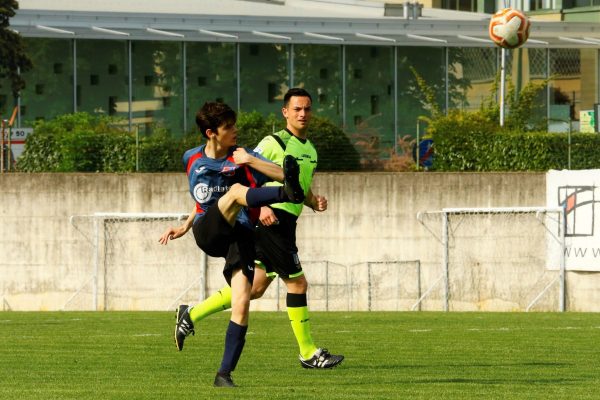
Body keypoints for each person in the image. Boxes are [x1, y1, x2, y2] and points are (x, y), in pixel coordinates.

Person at [170, 88, 344, 369]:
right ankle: (309, 352)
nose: (303, 114)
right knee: (297, 283)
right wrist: (258, 207)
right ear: (285, 112)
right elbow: (241, 180)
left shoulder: (309, 150)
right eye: (297, 109)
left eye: (307, 109)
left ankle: (191, 314)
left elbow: (297, 185)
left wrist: (313, 202)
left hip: (288, 222)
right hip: (270, 220)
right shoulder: (272, 142)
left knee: (254, 288)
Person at [158, 101, 305, 388]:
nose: (235, 130)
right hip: (208, 232)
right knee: (238, 192)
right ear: (212, 132)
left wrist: (251, 161)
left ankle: (223, 375)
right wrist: (185, 226)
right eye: (229, 127)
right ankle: (285, 194)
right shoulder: (191, 158)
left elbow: (279, 171)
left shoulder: (242, 156)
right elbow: (204, 200)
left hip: (240, 236)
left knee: (242, 301)